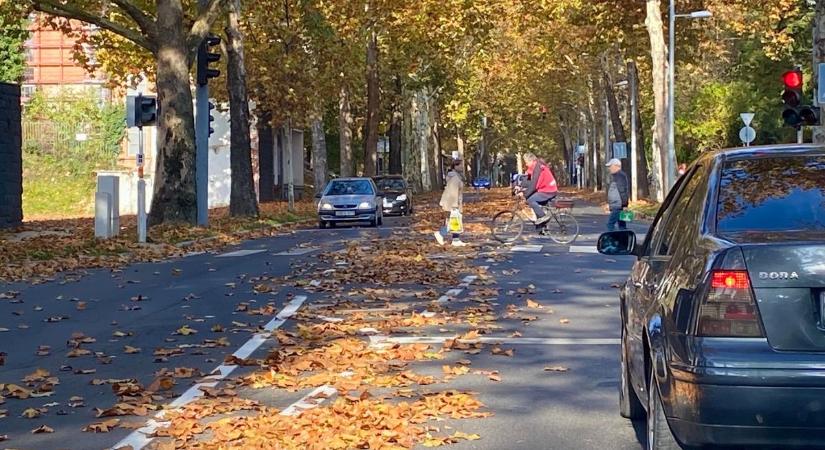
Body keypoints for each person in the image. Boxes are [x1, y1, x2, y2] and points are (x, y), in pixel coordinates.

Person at [519, 152, 558, 227]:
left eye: (526, 162)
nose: (526, 164)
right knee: (533, 202)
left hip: (549, 190)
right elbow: (528, 180)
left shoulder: (538, 168)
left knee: (530, 200)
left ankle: (544, 217)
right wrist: (520, 186)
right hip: (545, 189)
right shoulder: (534, 167)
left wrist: (524, 194)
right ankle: (542, 228)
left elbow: (534, 185)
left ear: (531, 161)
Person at [434, 160, 467, 247]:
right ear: (455, 166)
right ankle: (440, 233)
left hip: (453, 202)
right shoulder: (455, 178)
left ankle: (456, 239)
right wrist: (454, 205)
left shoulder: (456, 176)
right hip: (452, 202)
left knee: (455, 220)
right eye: (460, 165)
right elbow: (453, 192)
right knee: (453, 221)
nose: (462, 167)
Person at [606, 158, 630, 231]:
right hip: (617, 205)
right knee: (622, 226)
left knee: (610, 224)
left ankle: (613, 240)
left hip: (618, 206)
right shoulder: (616, 176)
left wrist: (625, 204)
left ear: (616, 166)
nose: (609, 168)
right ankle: (623, 240)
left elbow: (623, 190)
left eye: (610, 166)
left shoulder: (620, 176)